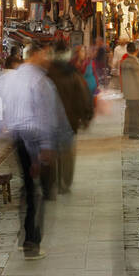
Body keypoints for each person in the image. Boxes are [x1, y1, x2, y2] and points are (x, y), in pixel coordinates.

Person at [0, 41, 72, 260]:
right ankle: (31, 242)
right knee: (37, 191)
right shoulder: (40, 81)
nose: (47, 60)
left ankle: (26, 235)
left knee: (27, 188)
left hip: (18, 138)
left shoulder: (10, 79)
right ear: (34, 55)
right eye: (44, 55)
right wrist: (46, 148)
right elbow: (46, 117)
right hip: (34, 140)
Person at [48, 40, 93, 195]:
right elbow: (83, 96)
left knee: (52, 153)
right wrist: (86, 116)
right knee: (67, 154)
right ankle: (64, 184)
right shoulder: (73, 74)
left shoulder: (47, 74)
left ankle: (53, 182)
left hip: (50, 121)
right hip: (69, 120)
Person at [120, 41, 139, 138]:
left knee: (131, 113)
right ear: (136, 51)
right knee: (136, 113)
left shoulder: (124, 62)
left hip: (128, 93)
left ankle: (131, 131)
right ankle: (135, 133)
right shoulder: (134, 62)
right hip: (135, 93)